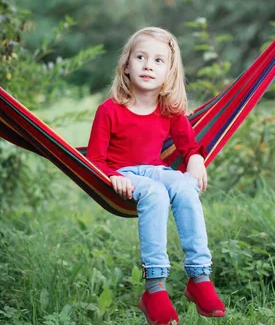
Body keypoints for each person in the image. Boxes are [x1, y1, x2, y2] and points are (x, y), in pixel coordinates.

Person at [86, 27, 225, 324]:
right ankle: (155, 288)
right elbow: (94, 160)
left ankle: (199, 277)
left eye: (159, 60)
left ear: (169, 73)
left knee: (186, 186)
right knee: (155, 192)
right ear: (126, 66)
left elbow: (189, 147)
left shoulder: (170, 110)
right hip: (125, 175)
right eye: (141, 57)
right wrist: (112, 176)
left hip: (156, 170)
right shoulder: (108, 110)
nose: (149, 65)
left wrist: (197, 160)